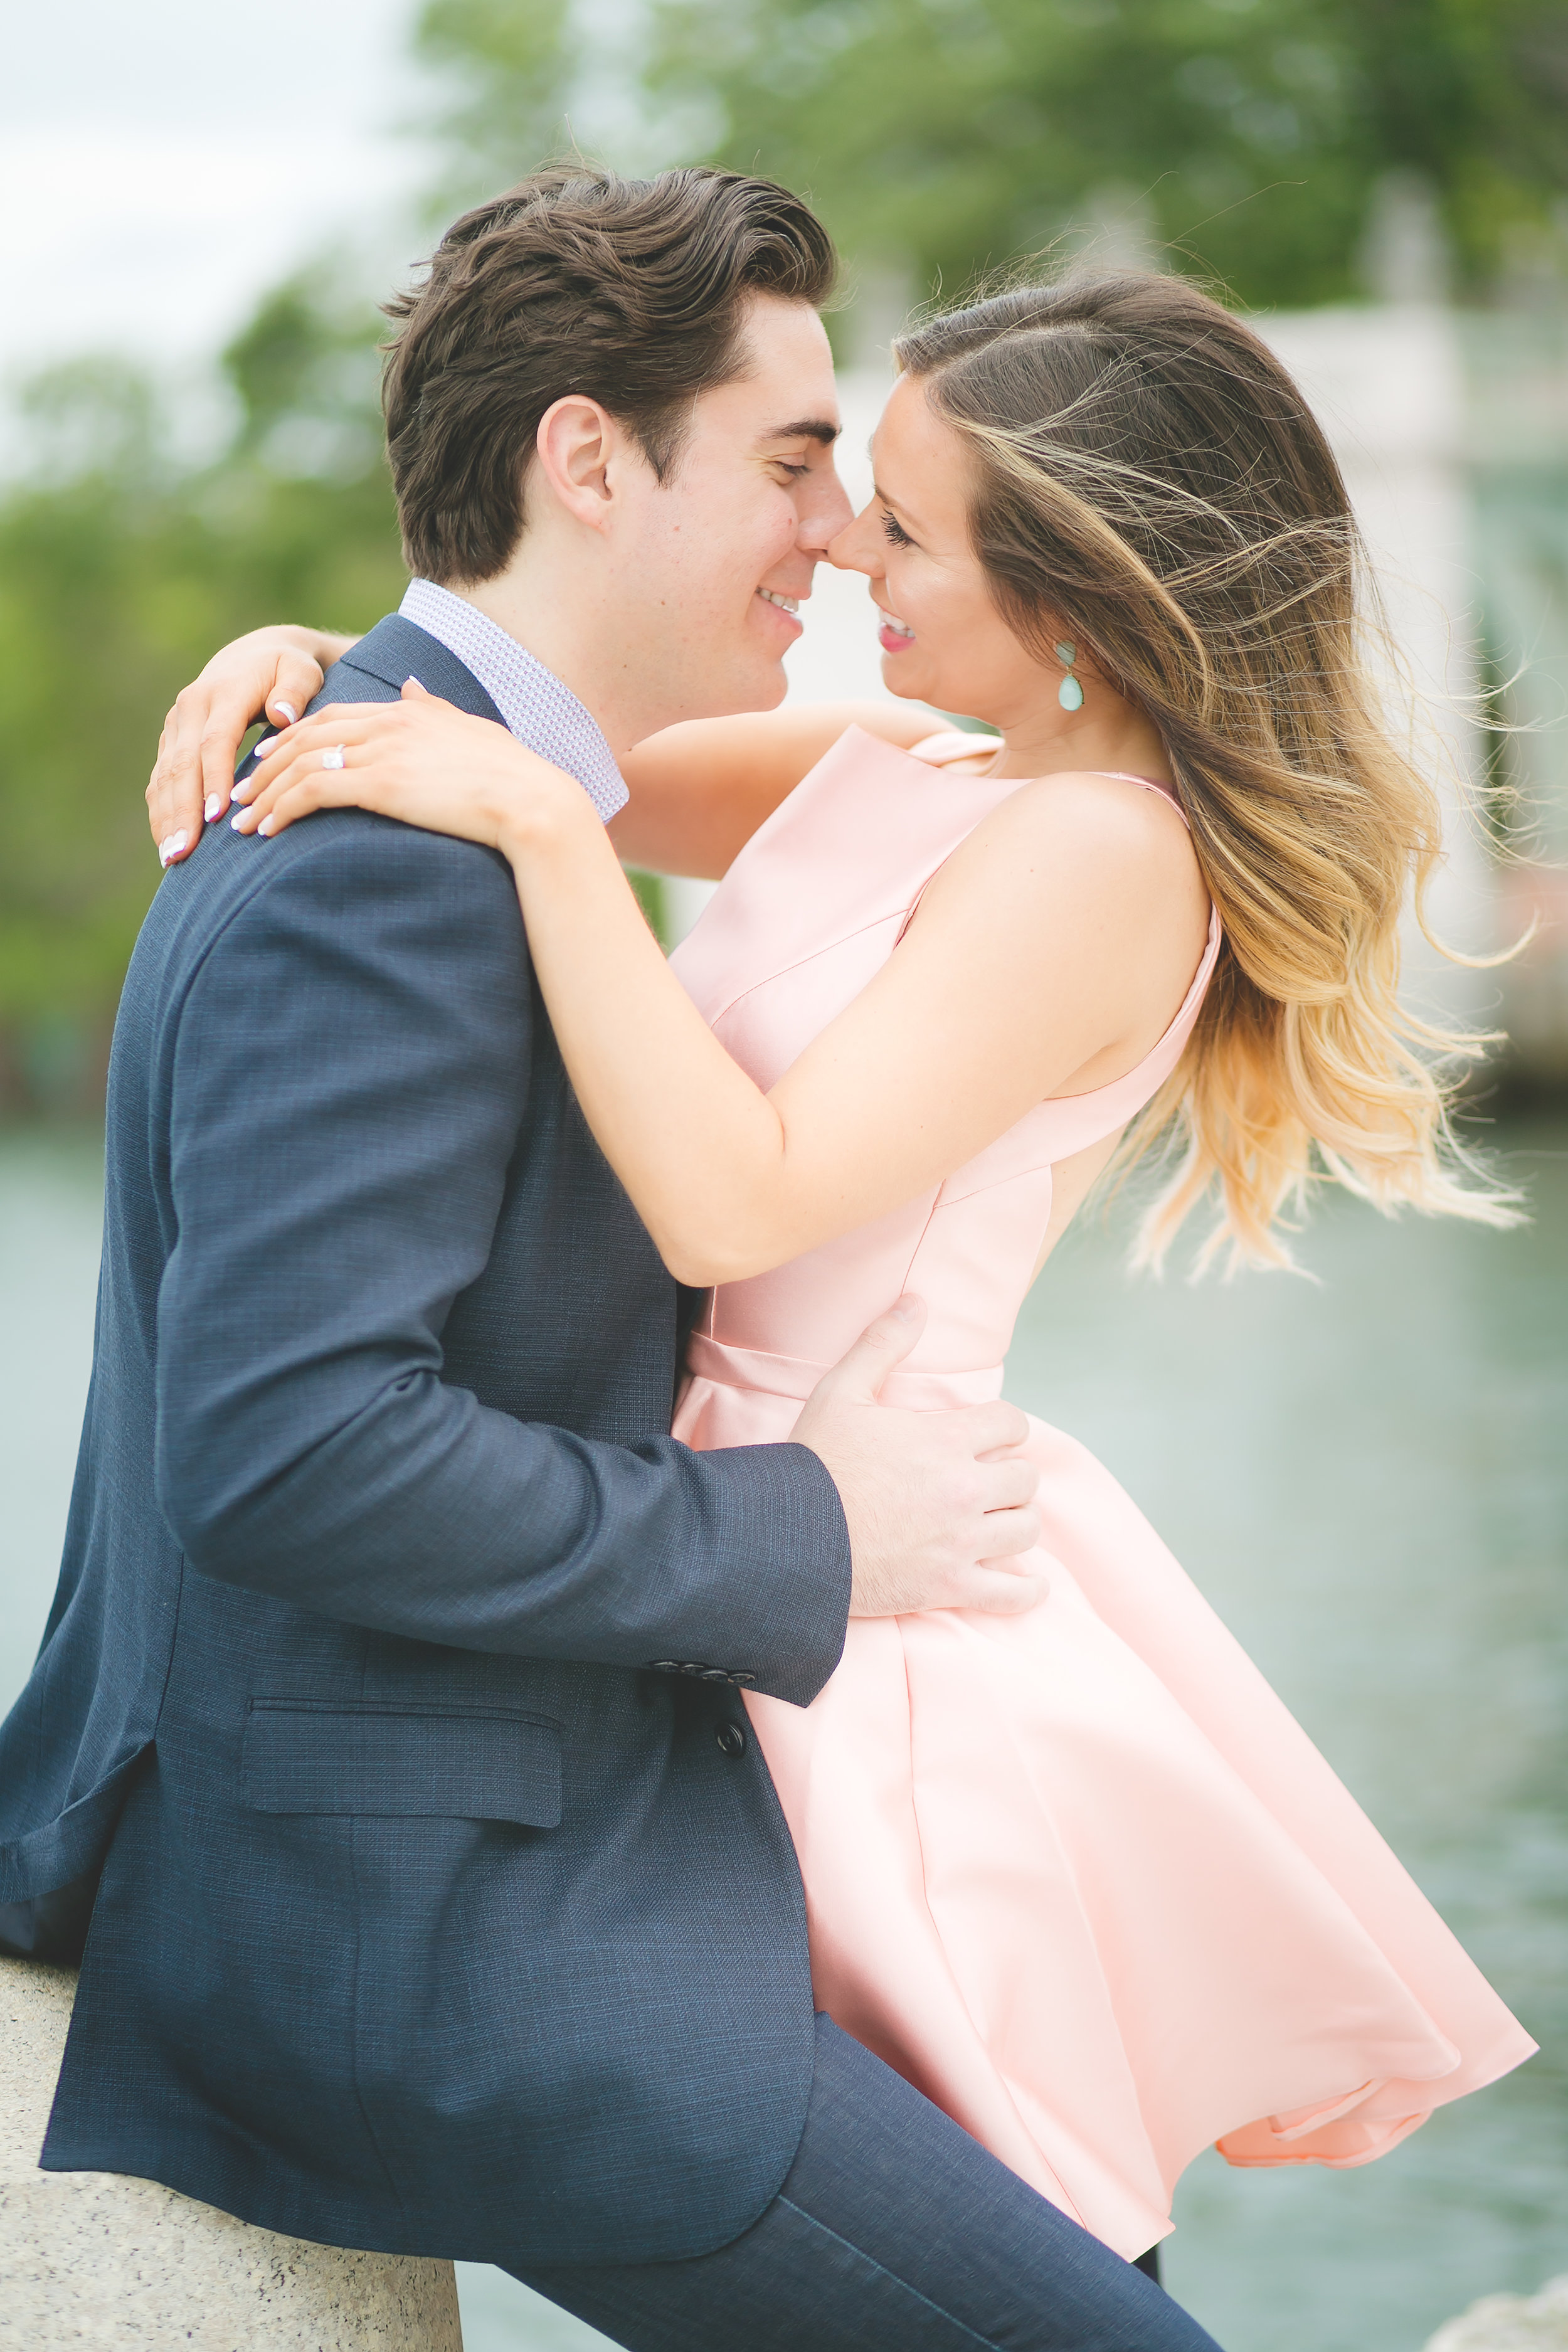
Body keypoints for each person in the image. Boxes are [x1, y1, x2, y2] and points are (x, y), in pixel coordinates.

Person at [166, 262, 1538, 2315]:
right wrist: (320, 667)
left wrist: (550, 846)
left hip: (867, 1615)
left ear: (1070, 583)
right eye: (842, 491)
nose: (837, 548)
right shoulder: (916, 764)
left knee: (990, 2212)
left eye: (900, 522)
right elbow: (544, 734)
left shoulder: (1104, 855)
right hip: (733, 1541)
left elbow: (742, 1201)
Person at [0, 169, 1222, 2352]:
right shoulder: (393, 861)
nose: (832, 529)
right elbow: (289, 1456)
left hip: (605, 1772)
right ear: (586, 456)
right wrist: (805, 1528)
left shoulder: (463, 789)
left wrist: (311, 648)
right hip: (422, 1899)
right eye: (788, 458)